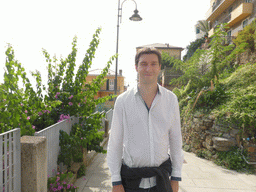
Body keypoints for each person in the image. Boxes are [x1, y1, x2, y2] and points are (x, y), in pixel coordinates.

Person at [107, 47, 183, 192]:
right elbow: (115, 142)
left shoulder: (171, 100)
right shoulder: (123, 101)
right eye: (143, 64)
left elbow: (175, 139)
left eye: (154, 64)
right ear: (136, 67)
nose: (149, 68)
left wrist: (176, 176)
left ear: (160, 67)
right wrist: (116, 181)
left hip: (161, 181)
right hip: (130, 181)